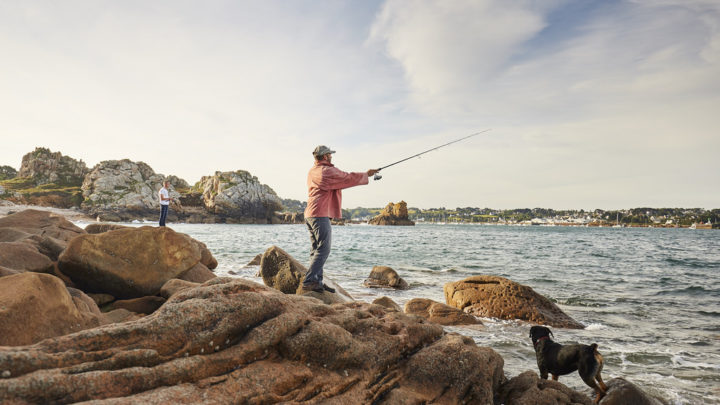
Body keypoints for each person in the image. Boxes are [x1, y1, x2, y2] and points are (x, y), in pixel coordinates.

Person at [302, 145, 379, 293]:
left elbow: (343, 179)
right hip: (319, 214)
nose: (331, 156)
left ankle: (317, 280)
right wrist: (366, 174)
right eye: (330, 154)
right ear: (325, 156)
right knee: (324, 249)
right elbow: (347, 177)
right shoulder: (326, 171)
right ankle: (310, 281)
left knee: (316, 249)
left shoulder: (313, 171)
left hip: (310, 214)